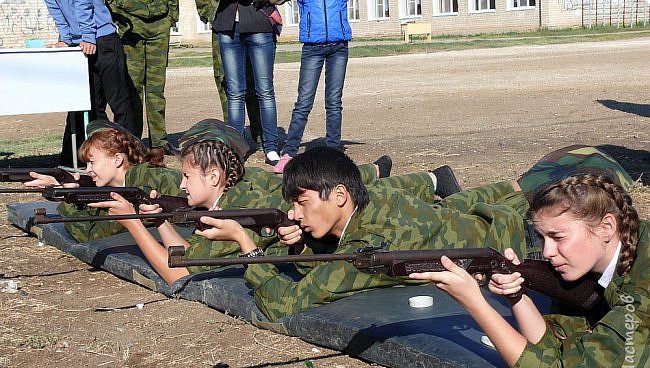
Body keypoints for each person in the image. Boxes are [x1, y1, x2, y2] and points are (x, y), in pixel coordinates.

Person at [89, 119, 450, 284]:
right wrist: (159, 222)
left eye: (187, 176)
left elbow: (176, 272)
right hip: (314, 199)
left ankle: (433, 180)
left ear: (214, 177)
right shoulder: (234, 193)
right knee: (368, 190)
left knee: (389, 200)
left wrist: (134, 224)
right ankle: (387, 172)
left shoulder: (236, 211)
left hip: (321, 202)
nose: (180, 184)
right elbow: (183, 254)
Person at [198, 147, 532, 321]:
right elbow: (326, 266)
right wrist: (300, 246)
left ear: (340, 195)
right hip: (494, 222)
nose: (295, 214)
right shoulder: (371, 201)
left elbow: (284, 304)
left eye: (302, 202)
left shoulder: (367, 248)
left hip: (520, 248)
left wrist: (246, 244)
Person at [410, 174, 648, 368]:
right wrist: (516, 295)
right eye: (542, 238)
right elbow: (551, 347)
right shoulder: (600, 262)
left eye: (558, 237)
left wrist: (475, 304)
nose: (547, 252)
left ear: (607, 227)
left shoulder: (642, 295)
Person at [25, 120, 183, 243]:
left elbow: (90, 235)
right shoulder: (129, 184)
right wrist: (70, 193)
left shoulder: (152, 183)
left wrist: (66, 201)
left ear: (117, 159)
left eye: (92, 162)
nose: (87, 170)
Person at [44, 0, 135, 165]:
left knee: (119, 101)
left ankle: (130, 153)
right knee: (92, 105)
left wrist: (87, 36)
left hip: (103, 39)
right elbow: (56, 10)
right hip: (81, 44)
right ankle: (104, 153)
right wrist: (66, 39)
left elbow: (83, 4)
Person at [272, 0, 353, 173]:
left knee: (333, 102)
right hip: (312, 48)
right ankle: (289, 153)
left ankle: (332, 151)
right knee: (303, 102)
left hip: (339, 47)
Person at [106, 0, 179, 162]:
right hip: (130, 28)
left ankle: (159, 141)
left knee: (156, 90)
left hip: (159, 25)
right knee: (133, 90)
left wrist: (171, 17)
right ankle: (133, 140)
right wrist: (118, 18)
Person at [214, 0, 280, 164]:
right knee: (235, 93)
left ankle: (271, 147)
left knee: (265, 91)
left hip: (259, 25)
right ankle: (236, 149)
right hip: (228, 27)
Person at [194, 0, 263, 150]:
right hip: (222, 24)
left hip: (251, 20)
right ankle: (233, 136)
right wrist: (214, 15)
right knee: (226, 81)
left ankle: (260, 133)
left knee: (254, 79)